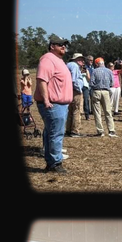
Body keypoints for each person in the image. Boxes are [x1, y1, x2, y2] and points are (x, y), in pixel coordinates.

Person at [34, 36, 73, 174]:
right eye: (60, 45)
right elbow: (42, 80)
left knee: (51, 133)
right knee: (56, 134)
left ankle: (51, 162)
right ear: (52, 46)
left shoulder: (58, 60)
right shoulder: (48, 59)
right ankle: (55, 163)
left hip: (59, 104)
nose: (64, 47)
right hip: (53, 104)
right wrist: (46, 100)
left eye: (65, 45)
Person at [89, 57, 117, 137]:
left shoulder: (94, 71)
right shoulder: (109, 71)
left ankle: (100, 131)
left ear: (97, 64)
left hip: (96, 91)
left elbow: (91, 83)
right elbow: (112, 83)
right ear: (103, 63)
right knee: (108, 111)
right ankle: (111, 130)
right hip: (106, 92)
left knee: (97, 112)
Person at [65, 53, 86, 135]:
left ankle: (68, 129)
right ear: (75, 59)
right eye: (80, 59)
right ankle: (75, 131)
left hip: (69, 90)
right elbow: (73, 80)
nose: (82, 61)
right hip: (75, 91)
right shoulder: (74, 66)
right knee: (76, 111)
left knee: (70, 111)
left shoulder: (69, 65)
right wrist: (79, 89)